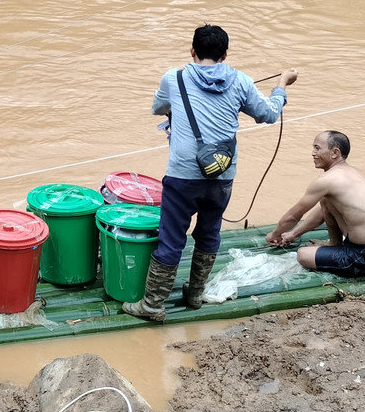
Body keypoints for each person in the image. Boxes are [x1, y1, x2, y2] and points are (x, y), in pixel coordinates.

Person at [123, 26, 298, 322]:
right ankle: (195, 295)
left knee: (171, 239)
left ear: (192, 51)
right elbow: (268, 114)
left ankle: (152, 305)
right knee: (208, 233)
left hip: (183, 175)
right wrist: (281, 84)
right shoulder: (241, 81)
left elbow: (158, 108)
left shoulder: (174, 78)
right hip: (222, 175)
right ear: (225, 55)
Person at [266, 130, 365, 277]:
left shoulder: (327, 180)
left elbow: (293, 216)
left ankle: (336, 247)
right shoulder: (351, 173)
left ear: (335, 153)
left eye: (317, 148)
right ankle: (334, 243)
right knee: (326, 200)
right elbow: (322, 212)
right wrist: (293, 234)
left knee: (303, 255)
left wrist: (275, 235)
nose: (313, 153)